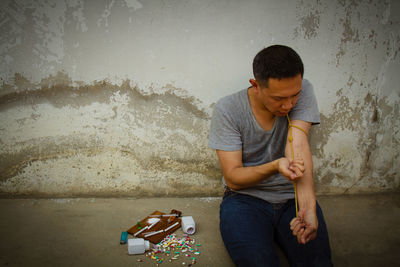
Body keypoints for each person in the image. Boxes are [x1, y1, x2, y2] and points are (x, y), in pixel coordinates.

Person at [208, 45, 333, 266]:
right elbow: (233, 178)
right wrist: (275, 166)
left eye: (294, 95)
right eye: (279, 98)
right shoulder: (228, 109)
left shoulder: (302, 90)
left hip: (291, 195)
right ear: (255, 85)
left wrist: (307, 208)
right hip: (244, 200)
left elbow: (298, 144)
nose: (289, 105)